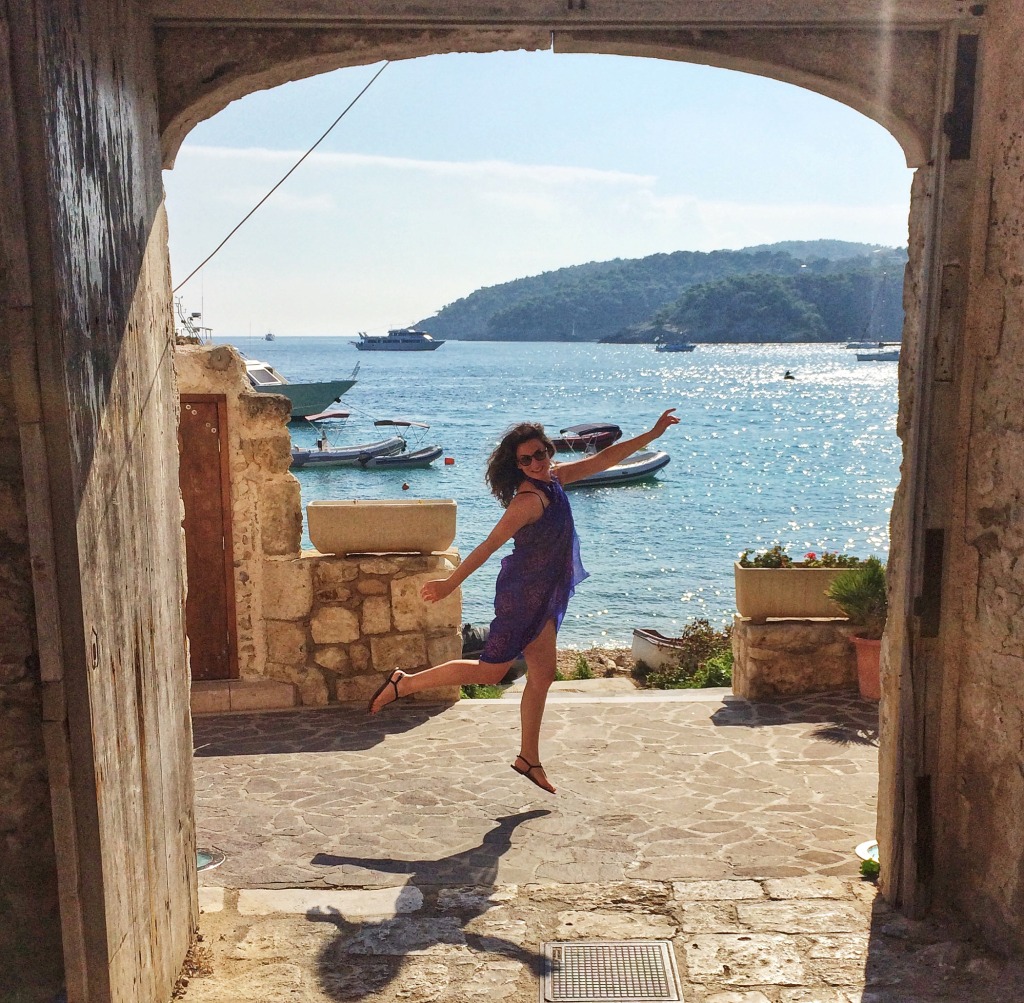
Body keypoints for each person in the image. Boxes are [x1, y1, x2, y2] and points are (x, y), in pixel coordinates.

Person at [367, 408, 680, 794]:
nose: (535, 463)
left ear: (549, 452)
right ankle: (405, 683)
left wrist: (651, 433)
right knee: (490, 671)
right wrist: (450, 584)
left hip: (544, 594)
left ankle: (528, 758)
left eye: (539, 454)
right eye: (525, 460)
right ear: (517, 466)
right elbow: (487, 546)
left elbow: (604, 459)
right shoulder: (527, 502)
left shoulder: (557, 479)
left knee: (543, 675)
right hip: (521, 596)